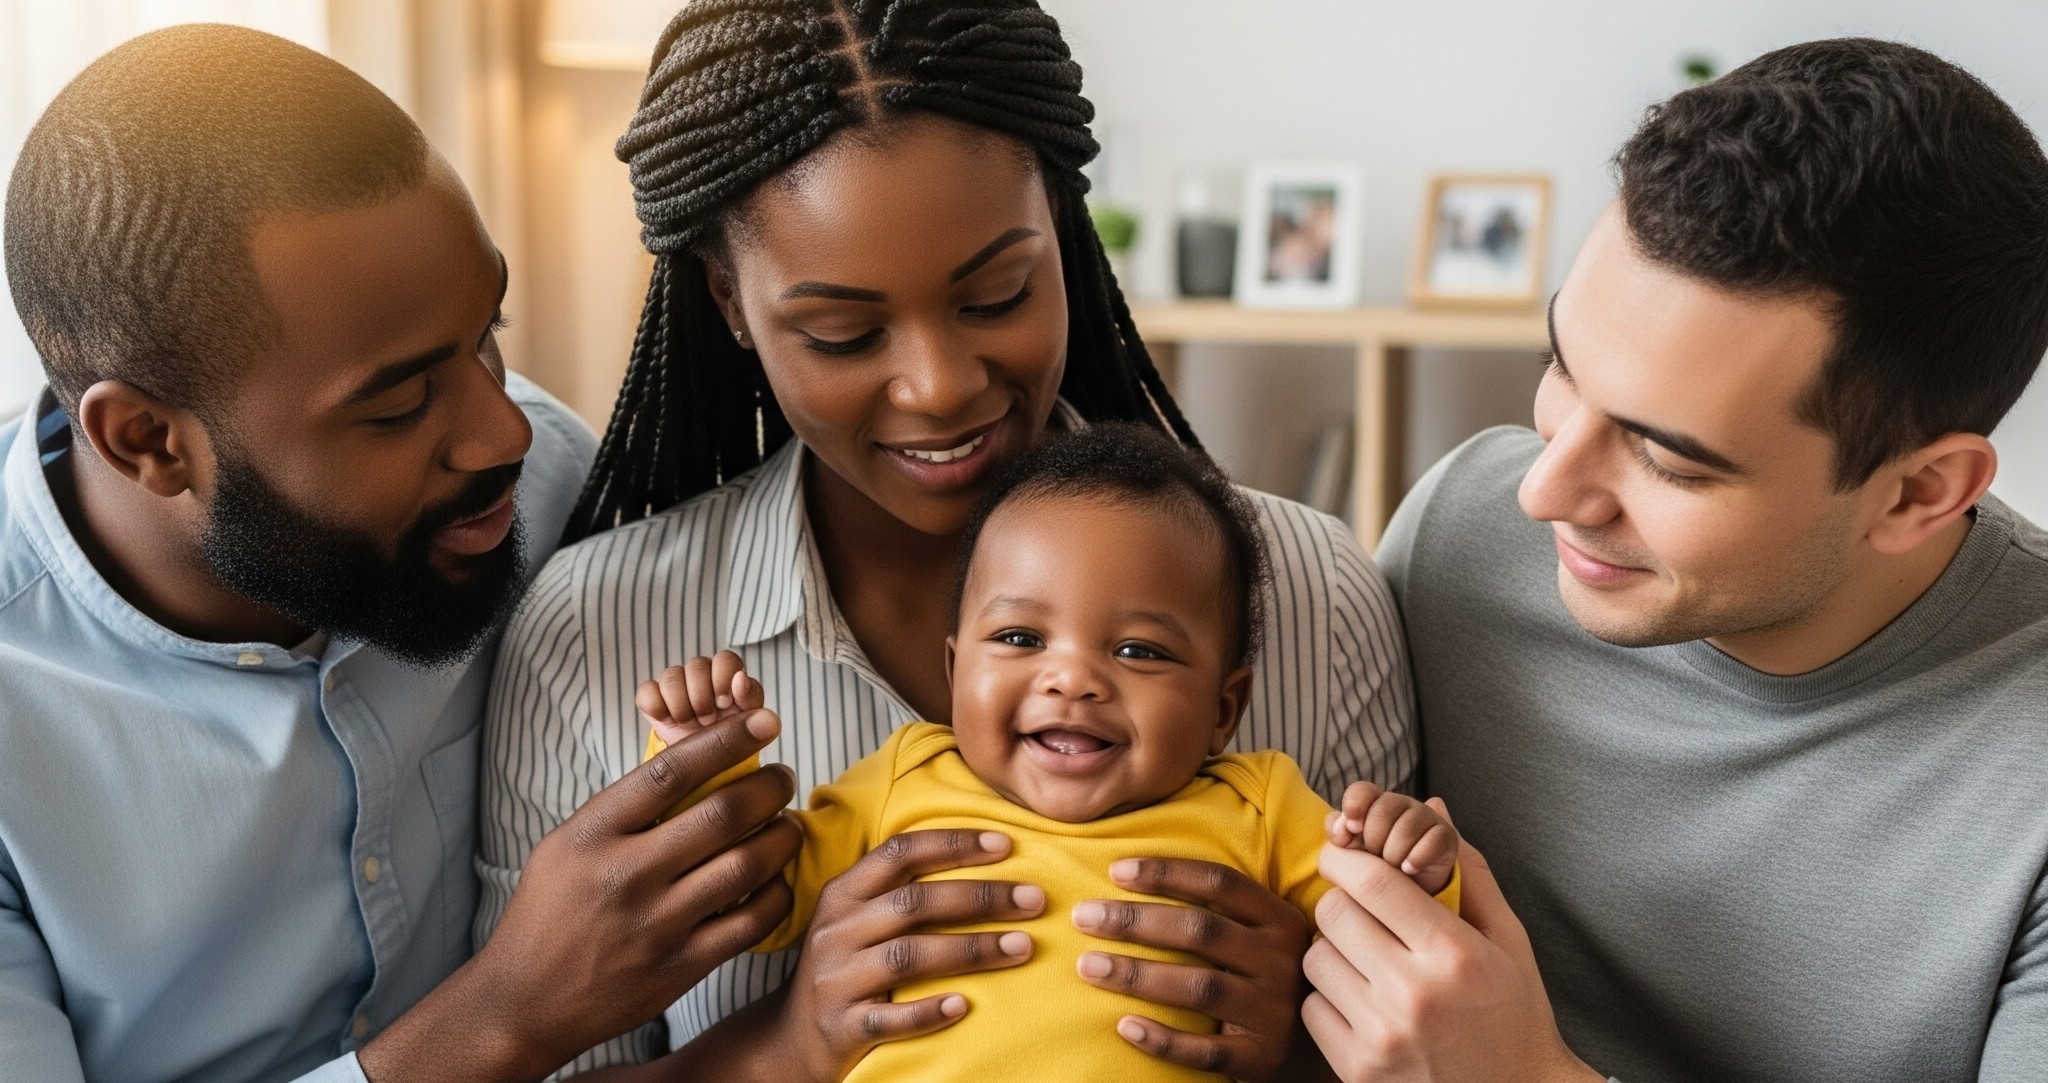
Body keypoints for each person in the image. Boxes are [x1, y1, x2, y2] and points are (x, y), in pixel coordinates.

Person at [479, 2, 1414, 1080]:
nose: (939, 386)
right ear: (731, 301)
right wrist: (784, 1048)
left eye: (998, 294)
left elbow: (1433, 1016)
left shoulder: (1308, 592)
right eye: (842, 333)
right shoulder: (598, 634)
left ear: (1063, 233)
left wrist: (1297, 1043)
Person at [0, 25, 801, 1083]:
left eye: (486, 334)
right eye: (399, 403)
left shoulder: (544, 481)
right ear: (148, 442)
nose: (504, 431)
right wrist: (508, 1012)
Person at [1303, 38, 2048, 1083]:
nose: (1541, 492)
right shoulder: (1461, 534)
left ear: (1916, 493)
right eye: (1558, 365)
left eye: (1663, 457)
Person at [637, 424, 1460, 1082]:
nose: (1072, 678)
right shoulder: (905, 777)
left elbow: (1391, 943)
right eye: (1021, 637)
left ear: (1223, 709)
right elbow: (755, 895)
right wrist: (703, 761)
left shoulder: (1261, 801)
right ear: (957, 670)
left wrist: (1408, 860)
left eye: (1139, 651)